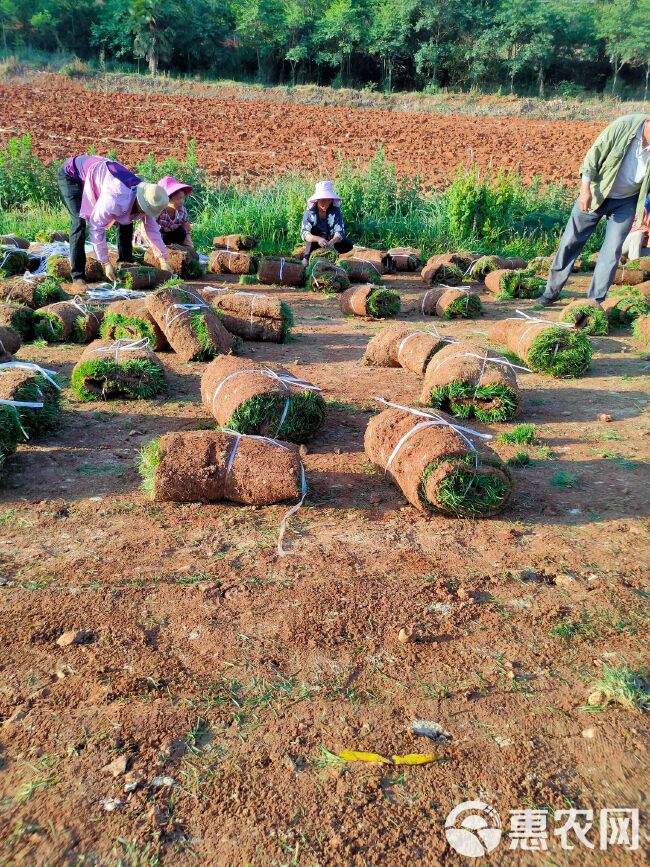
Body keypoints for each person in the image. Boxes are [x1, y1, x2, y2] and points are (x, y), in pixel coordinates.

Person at [541, 114, 650, 306]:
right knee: (570, 242)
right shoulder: (623, 126)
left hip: (626, 201)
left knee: (612, 250)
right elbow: (593, 157)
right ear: (648, 121)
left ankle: (594, 302)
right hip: (596, 193)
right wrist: (584, 190)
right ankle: (551, 293)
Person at [57, 155, 172, 292]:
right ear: (141, 202)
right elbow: (96, 226)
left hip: (100, 174)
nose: (147, 213)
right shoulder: (115, 197)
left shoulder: (149, 198)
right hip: (73, 173)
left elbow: (152, 231)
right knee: (79, 223)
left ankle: (125, 263)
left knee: (127, 218)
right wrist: (105, 262)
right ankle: (78, 277)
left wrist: (163, 260)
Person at [300, 180, 353, 264]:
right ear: (317, 200)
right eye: (323, 200)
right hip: (315, 243)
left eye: (328, 200)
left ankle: (331, 255)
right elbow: (305, 234)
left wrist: (332, 241)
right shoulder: (310, 213)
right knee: (311, 235)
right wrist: (319, 239)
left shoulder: (335, 211)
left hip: (329, 241)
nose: (326, 203)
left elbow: (339, 231)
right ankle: (306, 258)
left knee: (348, 244)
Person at [135, 176, 194, 249]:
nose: (181, 201)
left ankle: (173, 250)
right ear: (167, 199)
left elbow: (186, 229)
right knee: (160, 232)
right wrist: (154, 248)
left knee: (181, 232)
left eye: (183, 198)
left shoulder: (182, 212)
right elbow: (147, 229)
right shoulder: (157, 211)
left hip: (167, 239)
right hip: (150, 239)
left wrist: (188, 248)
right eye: (178, 199)